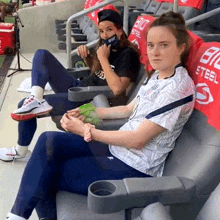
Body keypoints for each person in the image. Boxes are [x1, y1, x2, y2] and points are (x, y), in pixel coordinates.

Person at [5, 11, 195, 220]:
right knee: (48, 142)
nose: (155, 52)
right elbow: (128, 109)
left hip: (134, 166)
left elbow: (138, 140)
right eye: (151, 45)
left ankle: (19, 216)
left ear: (181, 47)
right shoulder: (158, 75)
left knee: (45, 171)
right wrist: (87, 113)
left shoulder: (178, 88)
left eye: (164, 45)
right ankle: (17, 216)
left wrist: (88, 131)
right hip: (118, 148)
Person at [0, 9, 140, 161]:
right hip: (80, 87)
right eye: (101, 31)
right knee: (42, 55)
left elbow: (118, 89)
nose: (105, 35)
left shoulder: (128, 54)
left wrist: (103, 59)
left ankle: (20, 152)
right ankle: (35, 98)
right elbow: (96, 73)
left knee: (22, 106)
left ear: (119, 31)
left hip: (92, 101)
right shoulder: (106, 48)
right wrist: (88, 58)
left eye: (109, 30)